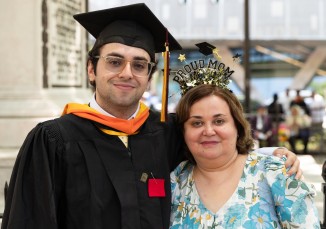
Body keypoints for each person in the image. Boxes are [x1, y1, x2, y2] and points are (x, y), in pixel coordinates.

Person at [1, 4, 302, 229]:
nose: (126, 73)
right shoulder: (53, 140)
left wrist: (272, 155)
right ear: (92, 70)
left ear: (149, 78)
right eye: (114, 61)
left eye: (139, 65)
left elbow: (218, 153)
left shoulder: (167, 131)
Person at [170, 84, 320, 228]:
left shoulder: (277, 174)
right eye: (197, 123)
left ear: (237, 126)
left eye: (219, 121)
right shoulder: (175, 182)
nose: (208, 131)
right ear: (183, 132)